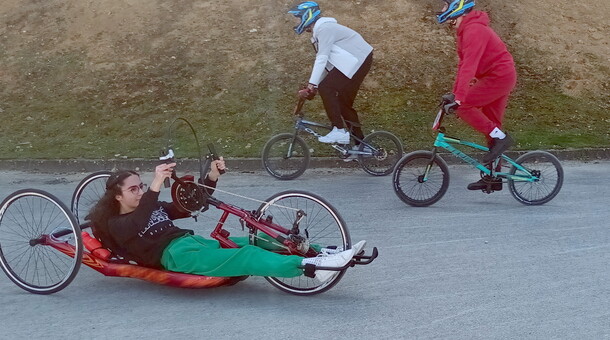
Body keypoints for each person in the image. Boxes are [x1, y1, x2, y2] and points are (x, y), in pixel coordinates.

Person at [87, 158, 365, 282]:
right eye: (133, 189)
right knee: (246, 255)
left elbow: (189, 206)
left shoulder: (151, 205)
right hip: (176, 258)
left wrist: (212, 177)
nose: (141, 191)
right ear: (117, 197)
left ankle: (325, 253)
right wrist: (157, 184)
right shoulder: (117, 225)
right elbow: (138, 222)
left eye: (142, 185)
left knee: (262, 238)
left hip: (194, 243)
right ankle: (311, 268)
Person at [437, 0, 517, 191]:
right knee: (491, 124)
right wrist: (455, 93)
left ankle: (501, 137)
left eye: (444, 5)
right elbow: (463, 66)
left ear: (457, 8)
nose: (441, 9)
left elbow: (469, 67)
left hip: (499, 77)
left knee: (464, 107)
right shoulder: (467, 30)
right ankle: (494, 177)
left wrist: (459, 98)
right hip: (498, 76)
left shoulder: (474, 30)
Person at [289, 1, 374, 149]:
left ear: (307, 16)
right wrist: (313, 86)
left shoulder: (325, 29)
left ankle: (339, 130)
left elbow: (321, 59)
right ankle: (361, 145)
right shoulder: (320, 32)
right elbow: (327, 63)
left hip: (358, 60)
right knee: (342, 103)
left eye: (298, 18)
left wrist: (313, 84)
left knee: (326, 88)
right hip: (355, 61)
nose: (297, 22)